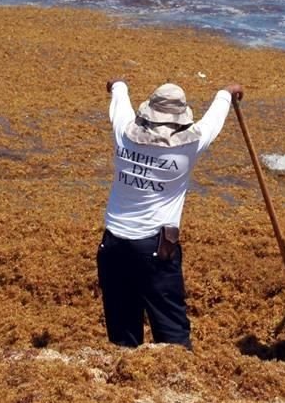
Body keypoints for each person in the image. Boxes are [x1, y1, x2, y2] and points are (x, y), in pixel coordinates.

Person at [98, 79, 244, 349]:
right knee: (172, 332)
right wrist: (226, 93)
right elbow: (213, 119)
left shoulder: (123, 133)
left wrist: (117, 84)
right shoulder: (189, 146)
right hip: (156, 248)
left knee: (122, 336)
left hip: (113, 245)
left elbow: (120, 99)